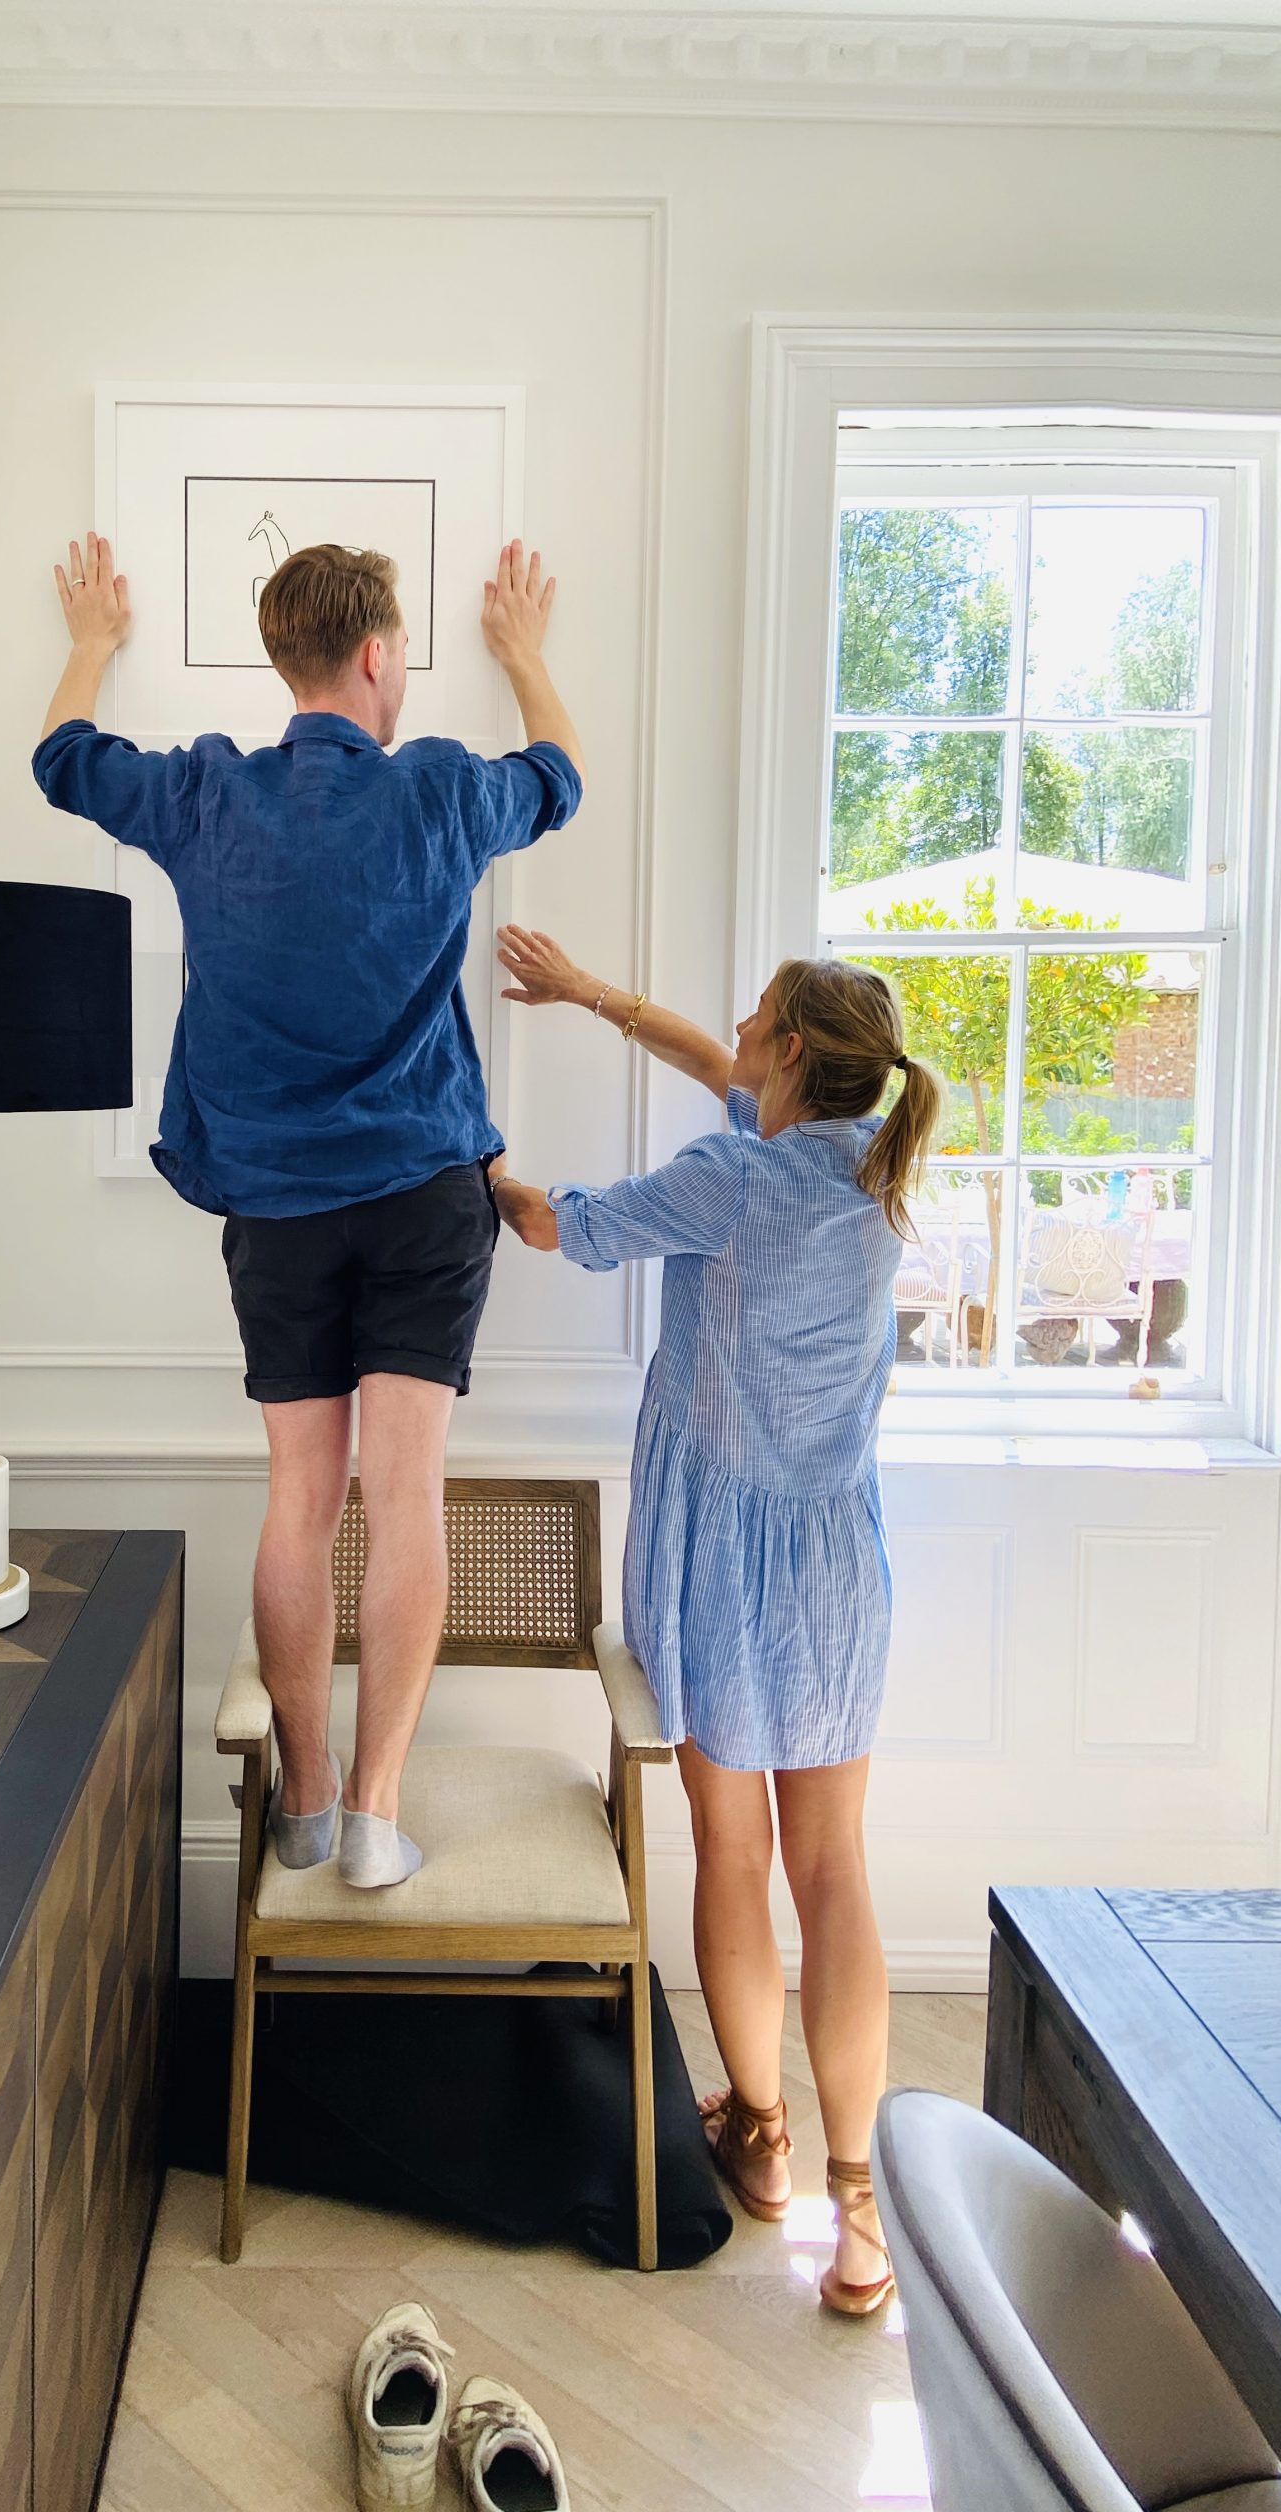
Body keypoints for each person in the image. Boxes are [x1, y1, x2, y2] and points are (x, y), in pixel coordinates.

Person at [34, 535, 583, 1888]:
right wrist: (524, 654)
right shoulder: (446, 791)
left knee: (300, 1499)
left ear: (287, 661)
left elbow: (61, 762)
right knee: (404, 1502)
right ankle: (380, 1815)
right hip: (420, 1196)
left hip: (276, 1205)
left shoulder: (209, 793)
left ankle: (307, 1797)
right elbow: (563, 776)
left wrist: (95, 636)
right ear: (381, 655)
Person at [488, 926, 938, 2316]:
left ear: (794, 1055)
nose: (733, 1030)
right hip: (839, 1573)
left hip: (729, 1576)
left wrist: (464, 1154)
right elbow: (710, 1061)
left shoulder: (731, 1182)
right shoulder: (874, 1172)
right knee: (836, 1874)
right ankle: (861, 2215)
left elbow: (559, 1224)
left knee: (734, 1861)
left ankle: (760, 2130)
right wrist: (593, 998)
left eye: (757, 1019)